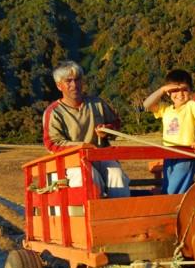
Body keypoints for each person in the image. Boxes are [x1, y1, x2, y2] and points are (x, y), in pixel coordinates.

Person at [41, 61, 130, 198]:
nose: (74, 85)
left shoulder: (97, 103)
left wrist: (107, 130)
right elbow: (52, 144)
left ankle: (120, 209)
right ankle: (95, 210)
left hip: (100, 156)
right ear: (59, 86)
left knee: (116, 174)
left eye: (77, 79)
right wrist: (82, 147)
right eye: (68, 81)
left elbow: (116, 123)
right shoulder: (54, 112)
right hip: (71, 161)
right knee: (89, 177)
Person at [142, 69, 195, 194]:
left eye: (184, 89)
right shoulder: (165, 109)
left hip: (186, 155)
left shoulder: (192, 106)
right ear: (168, 92)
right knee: (170, 186)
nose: (180, 94)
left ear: (190, 90)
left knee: (172, 191)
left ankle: (165, 201)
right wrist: (162, 90)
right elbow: (147, 104)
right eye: (175, 90)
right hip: (169, 154)